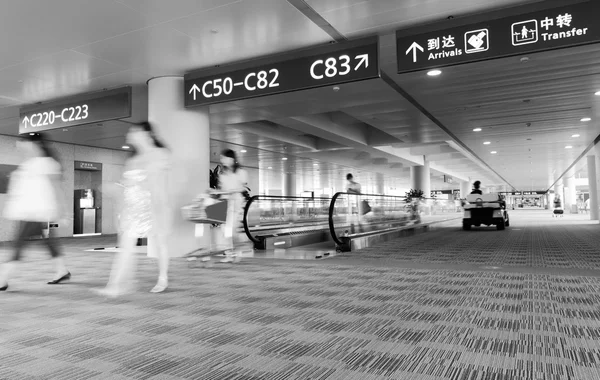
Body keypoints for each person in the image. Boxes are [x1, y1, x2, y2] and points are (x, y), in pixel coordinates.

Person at [94, 122, 171, 297]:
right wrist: (115, 189)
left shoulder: (160, 154)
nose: (130, 136)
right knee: (126, 245)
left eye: (134, 132)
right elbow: (126, 184)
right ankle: (115, 285)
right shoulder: (133, 160)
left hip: (153, 204)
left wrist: (160, 207)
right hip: (133, 206)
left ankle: (162, 278)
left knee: (160, 244)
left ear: (146, 134)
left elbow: (159, 184)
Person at [0, 133, 70, 291]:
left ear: (34, 144)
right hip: (30, 212)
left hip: (38, 213)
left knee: (18, 244)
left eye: (22, 143)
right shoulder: (29, 163)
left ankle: (2, 279)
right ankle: (61, 270)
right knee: (49, 241)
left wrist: (63, 212)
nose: (20, 146)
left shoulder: (48, 163)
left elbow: (57, 188)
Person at [213, 149, 248, 263]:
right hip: (226, 203)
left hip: (236, 203)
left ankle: (237, 252)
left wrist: (232, 191)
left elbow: (242, 187)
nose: (222, 160)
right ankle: (229, 254)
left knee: (232, 229)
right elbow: (222, 190)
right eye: (222, 158)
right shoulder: (223, 175)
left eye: (224, 158)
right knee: (224, 230)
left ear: (231, 159)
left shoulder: (240, 172)